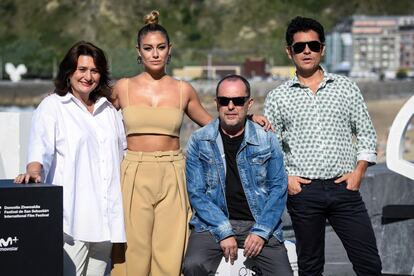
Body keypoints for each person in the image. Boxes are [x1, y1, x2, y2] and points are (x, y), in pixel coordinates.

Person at [110, 11, 271, 276]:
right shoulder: (122, 87)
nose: (155, 54)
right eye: (148, 48)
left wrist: (247, 117)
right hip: (134, 171)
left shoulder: (183, 89)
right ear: (138, 51)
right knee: (133, 250)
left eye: (161, 47)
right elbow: (91, 116)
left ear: (169, 50)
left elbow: (214, 124)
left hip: (173, 171)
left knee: (170, 248)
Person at [264, 16, 382, 276]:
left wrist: (359, 172)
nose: (307, 51)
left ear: (323, 49)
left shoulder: (346, 88)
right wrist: (288, 179)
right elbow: (269, 148)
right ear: (289, 51)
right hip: (304, 193)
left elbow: (366, 133)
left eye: (313, 45)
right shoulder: (278, 97)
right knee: (310, 266)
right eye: (299, 47)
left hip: (345, 190)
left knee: (369, 264)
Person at [14, 41, 126, 276]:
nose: (88, 76)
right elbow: (39, 150)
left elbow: (123, 154)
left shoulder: (109, 111)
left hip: (106, 222)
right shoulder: (52, 106)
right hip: (71, 223)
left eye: (94, 70)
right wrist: (33, 172)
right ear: (69, 72)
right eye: (82, 69)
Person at [182, 75, 293, 276]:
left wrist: (261, 232)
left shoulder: (266, 138)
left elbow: (278, 188)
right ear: (217, 103)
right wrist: (223, 231)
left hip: (258, 220)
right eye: (224, 101)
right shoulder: (199, 140)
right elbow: (197, 193)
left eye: (238, 101)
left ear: (249, 104)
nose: (231, 106)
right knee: (192, 265)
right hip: (213, 222)